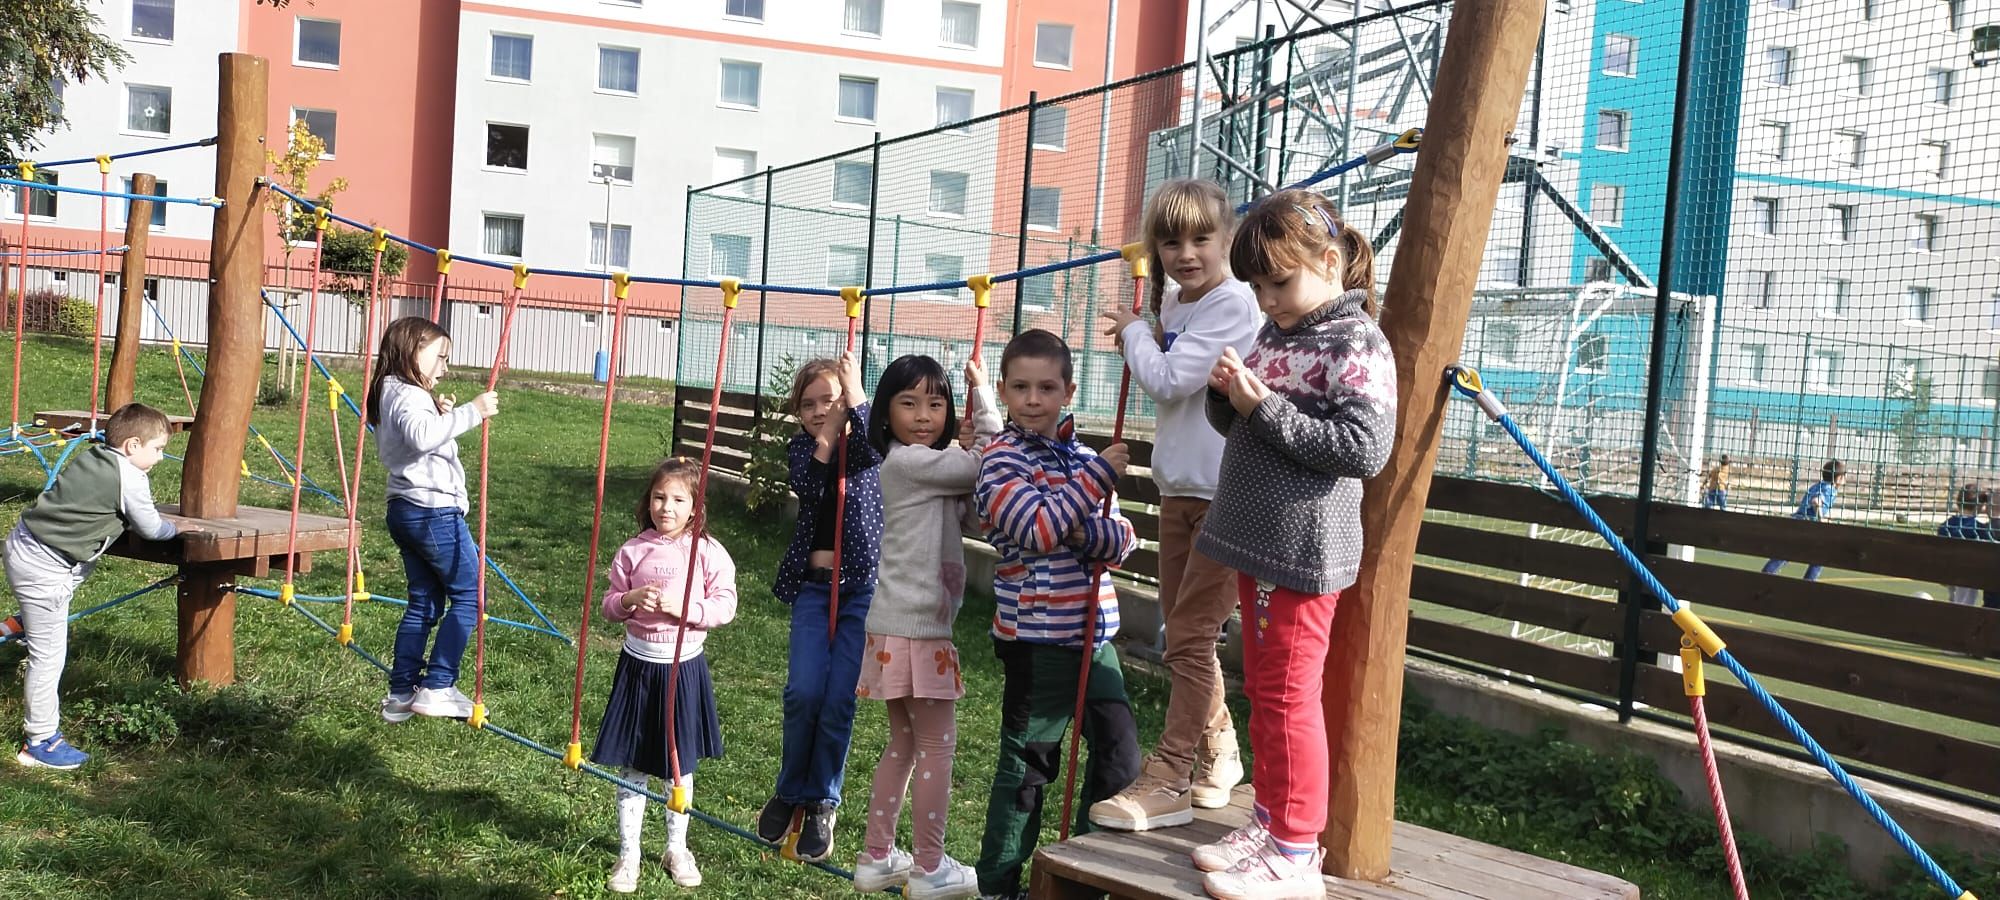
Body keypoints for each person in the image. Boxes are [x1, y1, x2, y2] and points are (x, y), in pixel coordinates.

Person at [1191, 190, 1397, 899]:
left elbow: (1363, 448)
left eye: (1279, 282)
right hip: (1259, 543)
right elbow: (1247, 427)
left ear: (1330, 263)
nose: (1268, 300)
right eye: (1257, 287)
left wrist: (1263, 405)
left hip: (1303, 551)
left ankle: (1297, 852)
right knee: (1264, 689)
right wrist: (1226, 397)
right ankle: (1270, 821)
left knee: (1287, 696)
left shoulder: (1355, 342)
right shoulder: (1278, 334)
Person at [1090, 178, 1260, 832]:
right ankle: (1221, 750)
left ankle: (1171, 775)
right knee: (1186, 636)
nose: (1185, 253)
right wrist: (1149, 328)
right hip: (1180, 489)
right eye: (1170, 242)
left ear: (1227, 240)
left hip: (1226, 494)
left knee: (1188, 638)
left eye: (1200, 238)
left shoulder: (1233, 303)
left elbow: (1167, 380)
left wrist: (1136, 332)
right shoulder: (1178, 302)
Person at [973, 329, 1142, 900]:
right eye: (1020, 387)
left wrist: (1082, 529)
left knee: (1121, 759)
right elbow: (1037, 530)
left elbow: (1123, 540)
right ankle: (999, 884)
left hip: (1095, 639)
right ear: (1003, 390)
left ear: (1068, 392)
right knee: (1028, 772)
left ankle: (1087, 878)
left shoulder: (1084, 457)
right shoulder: (1000, 460)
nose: (1033, 399)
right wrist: (1093, 487)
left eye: (1047, 388)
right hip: (1037, 640)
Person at [851, 354, 999, 899]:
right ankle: (930, 866)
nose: (922, 416)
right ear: (886, 413)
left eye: (935, 405)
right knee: (937, 747)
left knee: (906, 743)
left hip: (897, 625)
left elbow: (974, 511)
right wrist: (984, 400)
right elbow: (984, 465)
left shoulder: (924, 468)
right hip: (918, 629)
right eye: (908, 403)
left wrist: (966, 448)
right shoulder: (909, 462)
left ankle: (877, 856)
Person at [757, 352, 883, 863]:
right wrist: (829, 432)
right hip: (814, 588)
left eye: (828, 400)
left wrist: (855, 398)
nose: (817, 411)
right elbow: (808, 486)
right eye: (808, 404)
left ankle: (822, 801)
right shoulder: (802, 450)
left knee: (837, 700)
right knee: (803, 691)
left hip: (860, 590)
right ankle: (790, 790)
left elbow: (877, 446)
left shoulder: (867, 446)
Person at [7, 403, 180, 770]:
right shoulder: (131, 478)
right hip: (44, 568)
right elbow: (151, 528)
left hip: (23, 543)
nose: (161, 458)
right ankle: (39, 741)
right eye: (158, 449)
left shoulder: (94, 456)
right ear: (133, 445)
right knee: (48, 657)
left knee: (81, 566)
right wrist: (176, 529)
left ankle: (22, 621)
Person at [594, 458, 738, 892]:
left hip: (683, 669)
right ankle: (629, 854)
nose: (667, 507)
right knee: (633, 762)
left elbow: (725, 604)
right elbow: (608, 606)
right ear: (648, 501)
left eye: (678, 499)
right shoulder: (633, 550)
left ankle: (677, 847)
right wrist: (628, 600)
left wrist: (687, 610)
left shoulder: (707, 551)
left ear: (695, 507)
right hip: (638, 668)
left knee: (680, 763)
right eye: (659, 497)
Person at [369, 316, 500, 722]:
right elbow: (422, 437)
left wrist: (439, 413)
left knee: (424, 600)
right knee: (470, 596)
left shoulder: (390, 389)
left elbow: (416, 436)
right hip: (432, 511)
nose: (444, 368)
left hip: (405, 508)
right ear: (412, 349)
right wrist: (472, 411)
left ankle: (401, 690)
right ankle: (439, 686)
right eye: (439, 357)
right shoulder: (408, 393)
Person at [1760, 460, 1845, 582]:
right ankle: (1809, 582)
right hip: (1807, 525)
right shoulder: (1830, 489)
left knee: (1786, 553)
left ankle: (1765, 574)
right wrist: (1821, 519)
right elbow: (1816, 501)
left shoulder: (1817, 485)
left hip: (1797, 520)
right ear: (1839, 478)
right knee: (1820, 556)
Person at [1937, 484, 1989, 607]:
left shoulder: (1945, 525)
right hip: (1969, 574)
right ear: (1980, 506)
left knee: (1956, 596)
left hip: (1947, 571)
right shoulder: (1980, 528)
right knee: (1966, 597)